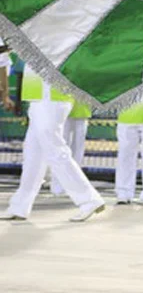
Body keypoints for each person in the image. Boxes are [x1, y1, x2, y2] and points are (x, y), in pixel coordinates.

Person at [0, 68, 105, 222]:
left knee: (55, 149)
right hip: (38, 95)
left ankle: (89, 199)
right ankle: (19, 206)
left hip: (53, 95)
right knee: (33, 156)